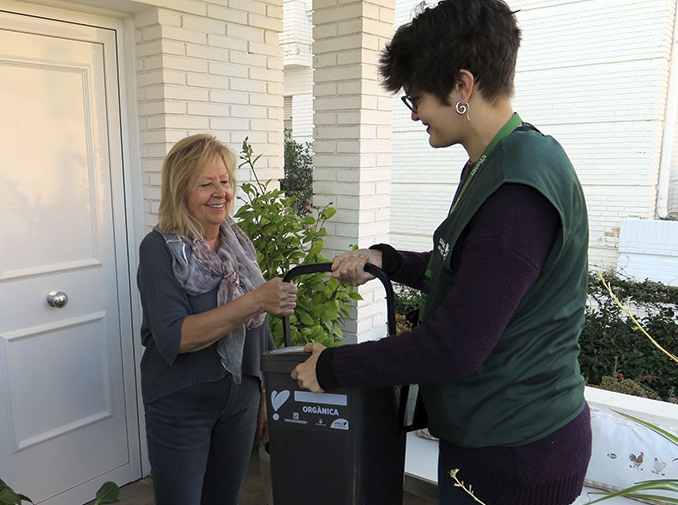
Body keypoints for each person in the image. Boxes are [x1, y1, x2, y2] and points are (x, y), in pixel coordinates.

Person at [290, 1, 592, 504]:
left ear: (462, 87)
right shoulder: (492, 162)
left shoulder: (517, 189)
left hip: (513, 456)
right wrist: (386, 260)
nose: (414, 115)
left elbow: (455, 346)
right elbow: (479, 273)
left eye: (416, 98)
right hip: (495, 441)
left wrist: (331, 368)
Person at [137, 133, 297, 505]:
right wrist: (256, 299)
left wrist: (264, 393)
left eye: (224, 182)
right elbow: (176, 337)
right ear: (180, 191)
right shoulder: (160, 249)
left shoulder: (238, 242)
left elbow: (261, 330)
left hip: (240, 399)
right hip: (181, 406)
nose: (219, 192)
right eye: (206, 183)